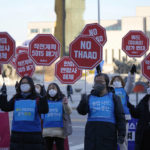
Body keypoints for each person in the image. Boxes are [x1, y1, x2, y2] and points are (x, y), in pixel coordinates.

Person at [77, 73, 126, 150]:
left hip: (108, 137)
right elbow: (82, 112)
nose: (98, 84)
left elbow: (120, 117)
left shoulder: (114, 98)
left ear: (106, 83)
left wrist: (121, 135)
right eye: (96, 82)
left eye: (101, 82)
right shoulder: (89, 97)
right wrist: (83, 101)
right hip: (92, 137)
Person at [0, 76, 48, 150]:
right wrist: (3, 95)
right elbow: (5, 108)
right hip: (17, 135)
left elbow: (44, 110)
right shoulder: (16, 97)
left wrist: (43, 98)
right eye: (22, 83)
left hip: (33, 135)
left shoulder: (37, 98)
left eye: (26, 83)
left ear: (31, 85)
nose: (24, 85)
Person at [110, 64, 136, 150]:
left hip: (124, 117)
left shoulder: (125, 90)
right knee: (111, 139)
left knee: (123, 140)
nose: (116, 81)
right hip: (112, 117)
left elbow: (130, 83)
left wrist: (131, 74)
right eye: (115, 80)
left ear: (121, 82)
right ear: (112, 82)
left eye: (118, 80)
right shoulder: (110, 91)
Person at [42, 83, 72, 150]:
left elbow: (69, 112)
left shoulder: (62, 99)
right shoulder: (45, 100)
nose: (51, 90)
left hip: (59, 131)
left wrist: (66, 104)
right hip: (47, 131)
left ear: (57, 89)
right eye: (50, 88)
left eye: (53, 88)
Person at [127, 81, 150, 150]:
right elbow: (136, 114)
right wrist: (129, 105)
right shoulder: (144, 100)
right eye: (148, 84)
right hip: (143, 133)